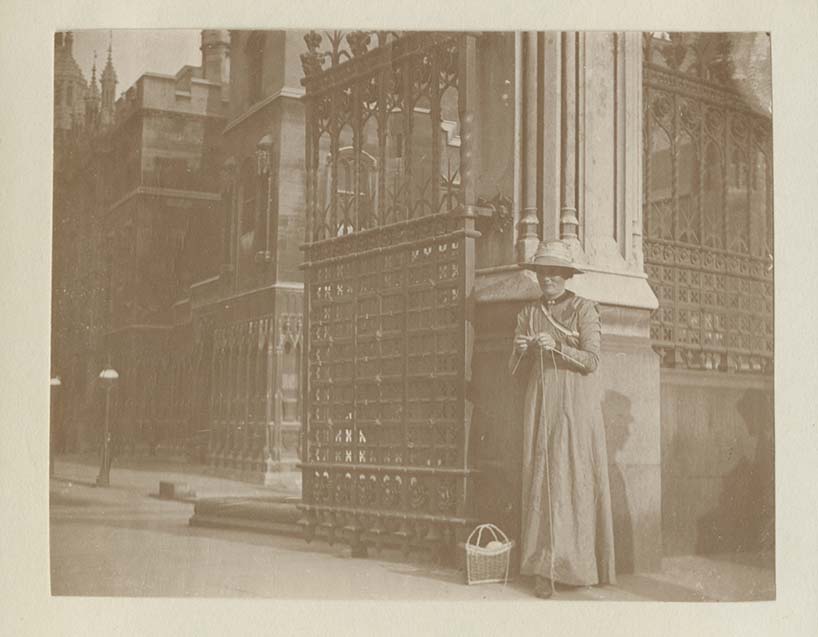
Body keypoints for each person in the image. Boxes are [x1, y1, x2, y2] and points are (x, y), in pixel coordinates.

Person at [509, 239, 616, 598]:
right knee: (542, 478)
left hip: (576, 404)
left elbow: (592, 360)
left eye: (555, 272)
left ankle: (576, 565)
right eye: (543, 272)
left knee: (572, 476)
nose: (548, 278)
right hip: (540, 401)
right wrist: (522, 352)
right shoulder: (527, 314)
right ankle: (543, 568)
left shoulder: (585, 309)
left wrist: (558, 347)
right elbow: (514, 369)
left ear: (567, 275)